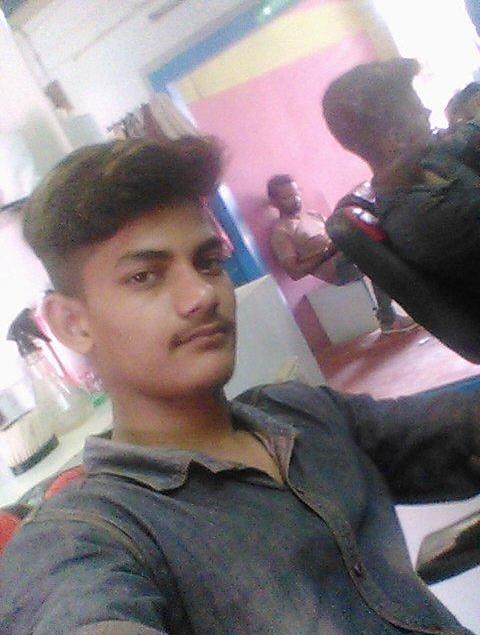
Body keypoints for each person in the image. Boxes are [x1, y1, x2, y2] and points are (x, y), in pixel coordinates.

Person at [1, 136, 480, 635]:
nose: (202, 294)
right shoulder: (86, 537)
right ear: (73, 323)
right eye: (145, 276)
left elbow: (457, 430)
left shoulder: (302, 415)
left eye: (208, 262)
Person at [322, 58, 480, 302]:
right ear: (395, 137)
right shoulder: (425, 215)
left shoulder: (424, 166)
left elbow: (460, 139)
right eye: (418, 109)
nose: (428, 112)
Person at [267, 173, 416, 334]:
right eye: (287, 197)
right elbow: (294, 272)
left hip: (346, 252)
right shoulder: (281, 231)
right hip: (335, 269)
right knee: (372, 248)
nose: (296, 200)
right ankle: (389, 318)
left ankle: (391, 316)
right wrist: (328, 252)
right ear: (274, 202)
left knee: (378, 243)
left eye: (296, 193)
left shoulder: (313, 215)